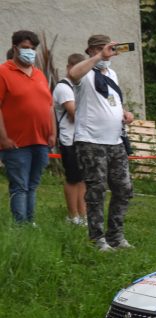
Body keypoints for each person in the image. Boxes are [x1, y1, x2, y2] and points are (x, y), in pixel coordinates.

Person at [68, 35, 134, 251]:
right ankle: (97, 239)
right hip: (91, 141)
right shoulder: (85, 72)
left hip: (115, 141)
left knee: (123, 187)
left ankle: (116, 235)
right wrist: (97, 57)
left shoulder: (111, 73)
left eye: (111, 49)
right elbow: (73, 74)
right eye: (104, 49)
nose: (109, 53)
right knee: (96, 189)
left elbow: (109, 101)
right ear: (92, 50)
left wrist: (124, 113)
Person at [0, 30, 56, 224]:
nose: (30, 52)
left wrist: (52, 133)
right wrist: (3, 137)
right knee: (20, 186)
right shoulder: (3, 72)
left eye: (33, 49)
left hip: (41, 141)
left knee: (32, 185)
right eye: (25, 48)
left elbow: (49, 106)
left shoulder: (39, 74)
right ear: (15, 48)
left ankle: (30, 222)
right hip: (16, 142)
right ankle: (20, 226)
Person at [53, 53, 87, 226]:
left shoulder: (80, 87)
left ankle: (83, 214)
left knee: (82, 179)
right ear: (69, 67)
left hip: (82, 138)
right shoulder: (63, 87)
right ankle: (72, 215)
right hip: (69, 139)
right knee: (73, 178)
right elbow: (75, 114)